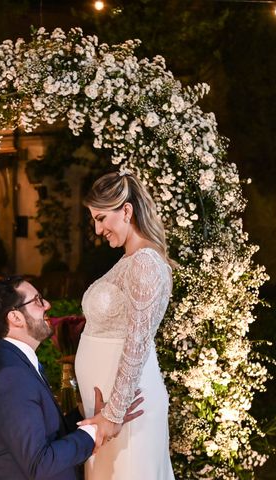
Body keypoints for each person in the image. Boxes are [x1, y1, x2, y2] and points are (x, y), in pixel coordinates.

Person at [0, 276, 144, 480]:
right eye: (37, 300)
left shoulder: (9, 361)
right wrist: (97, 429)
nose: (47, 305)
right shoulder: (9, 376)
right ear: (15, 318)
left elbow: (40, 433)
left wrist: (87, 413)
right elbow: (40, 464)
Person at [75, 171, 176, 479]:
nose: (97, 228)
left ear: (127, 211)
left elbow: (138, 343)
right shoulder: (128, 260)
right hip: (106, 410)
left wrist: (114, 415)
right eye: (94, 220)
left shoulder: (145, 263)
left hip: (128, 411)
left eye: (102, 218)